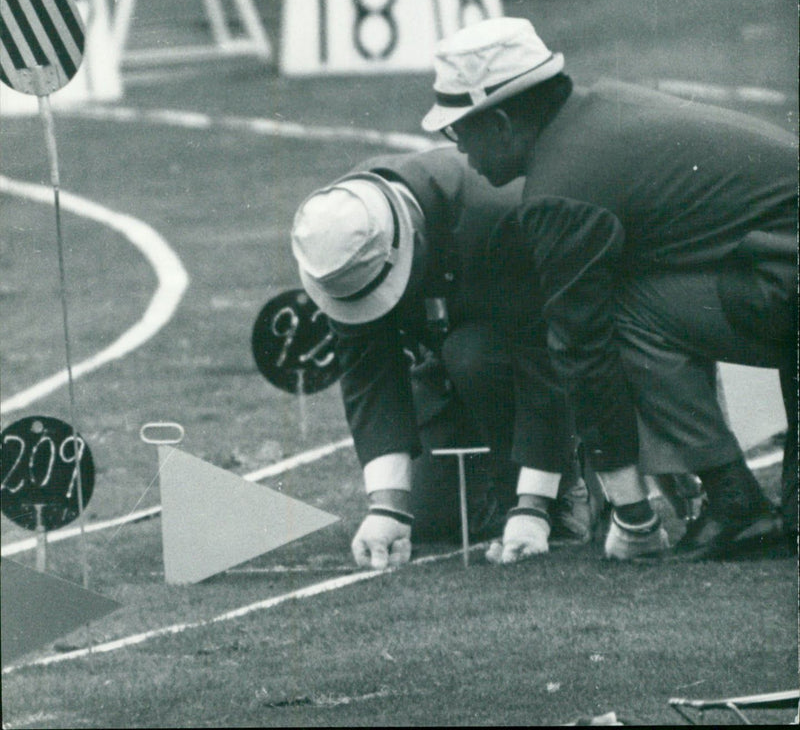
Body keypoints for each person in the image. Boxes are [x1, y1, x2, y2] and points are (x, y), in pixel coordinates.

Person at [420, 16, 797, 562]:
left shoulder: (562, 189)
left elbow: (582, 349)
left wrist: (633, 513)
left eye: (460, 131)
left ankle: (733, 501)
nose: (462, 153)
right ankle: (734, 498)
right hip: (779, 269)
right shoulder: (601, 110)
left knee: (617, 313)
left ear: (500, 124)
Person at [290, 147, 751, 569]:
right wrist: (387, 506)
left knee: (473, 353)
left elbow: (544, 362)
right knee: (429, 518)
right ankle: (503, 478)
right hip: (455, 361)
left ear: (410, 241)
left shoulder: (500, 215)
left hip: (535, 354)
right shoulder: (338, 240)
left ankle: (574, 481)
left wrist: (533, 505)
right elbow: (368, 372)